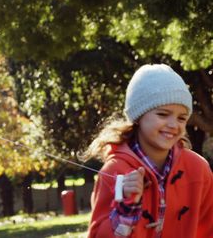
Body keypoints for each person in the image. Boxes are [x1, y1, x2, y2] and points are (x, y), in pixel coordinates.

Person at [84, 64, 213, 237]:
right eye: (163, 114)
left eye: (182, 118)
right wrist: (125, 207)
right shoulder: (114, 171)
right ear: (138, 116)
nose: (174, 125)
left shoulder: (198, 169)